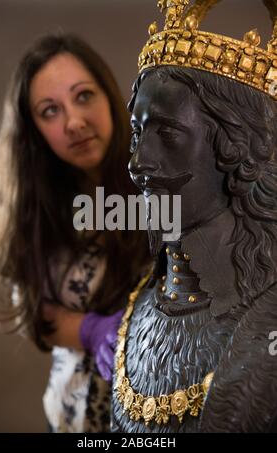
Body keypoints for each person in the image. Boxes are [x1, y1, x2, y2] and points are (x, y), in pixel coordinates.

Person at [112, 0, 277, 433]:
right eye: (137, 133)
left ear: (236, 152)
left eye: (167, 134)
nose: (137, 163)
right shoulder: (140, 306)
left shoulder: (267, 324)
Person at [0, 32, 150, 433]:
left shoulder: (163, 183)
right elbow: (36, 311)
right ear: (34, 129)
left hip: (161, 412)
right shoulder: (35, 205)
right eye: (49, 110)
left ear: (109, 95)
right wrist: (92, 330)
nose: (74, 122)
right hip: (71, 417)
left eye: (83, 96)